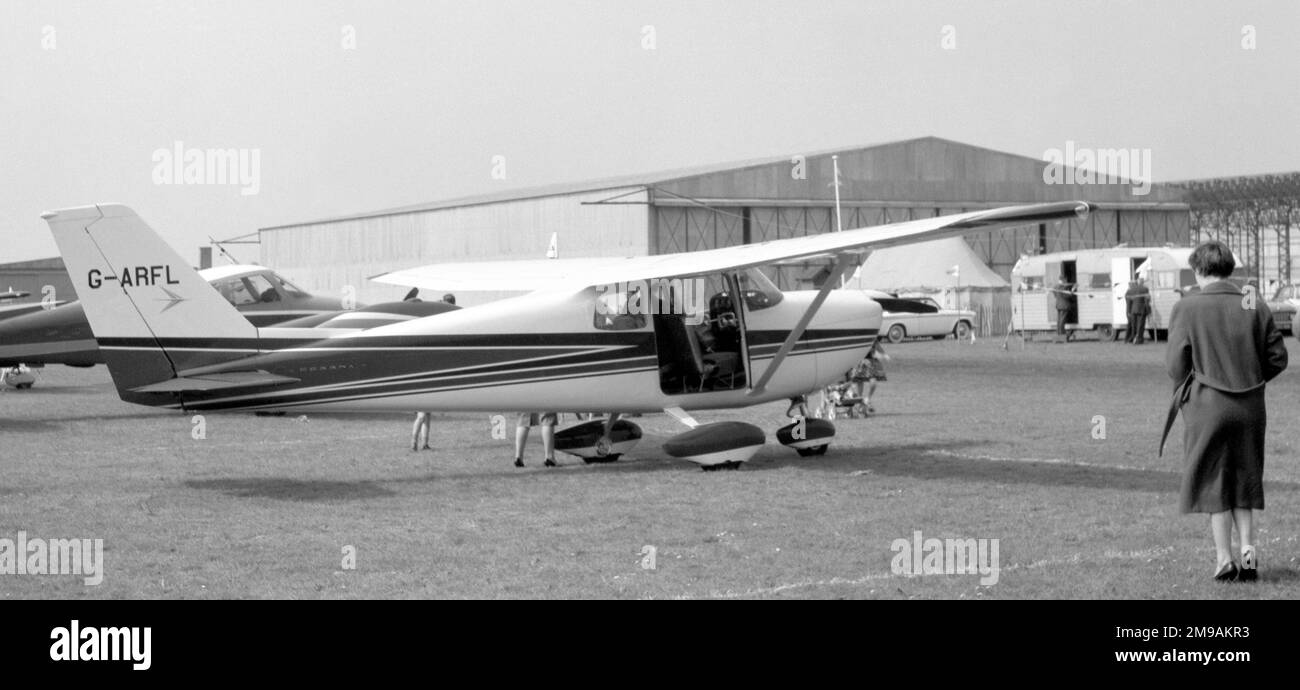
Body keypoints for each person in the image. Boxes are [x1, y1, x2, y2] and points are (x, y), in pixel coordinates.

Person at [1161, 241, 1287, 582]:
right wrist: (1249, 380)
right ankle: (1248, 557)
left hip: (1207, 405)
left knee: (1215, 482)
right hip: (1250, 406)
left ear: (1199, 270)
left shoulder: (1187, 307)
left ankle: (1223, 559)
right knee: (1245, 480)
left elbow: (1175, 365)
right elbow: (1278, 359)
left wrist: (1189, 392)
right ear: (1229, 268)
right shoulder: (1252, 301)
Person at [852, 341, 889, 414]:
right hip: (860, 361)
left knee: (873, 383)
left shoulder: (873, 339)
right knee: (859, 382)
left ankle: (867, 399)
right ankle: (860, 403)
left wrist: (884, 355)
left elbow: (879, 348)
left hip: (871, 362)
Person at [1124, 277, 1152, 344]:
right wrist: (1148, 311)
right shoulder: (1145, 289)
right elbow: (1146, 301)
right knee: (1140, 325)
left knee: (1134, 325)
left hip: (1133, 309)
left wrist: (1129, 311)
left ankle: (1133, 338)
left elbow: (1128, 300)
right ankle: (1139, 339)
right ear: (1142, 282)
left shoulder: (1131, 289)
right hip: (1141, 309)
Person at [1052, 275, 1076, 343]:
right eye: (1065, 280)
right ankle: (1062, 334)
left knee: (1059, 320)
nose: (1066, 281)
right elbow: (1067, 295)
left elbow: (1054, 294)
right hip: (1064, 306)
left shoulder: (1055, 286)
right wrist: (1072, 290)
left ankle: (1059, 333)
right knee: (1062, 321)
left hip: (1058, 305)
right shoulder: (1063, 287)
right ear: (1063, 280)